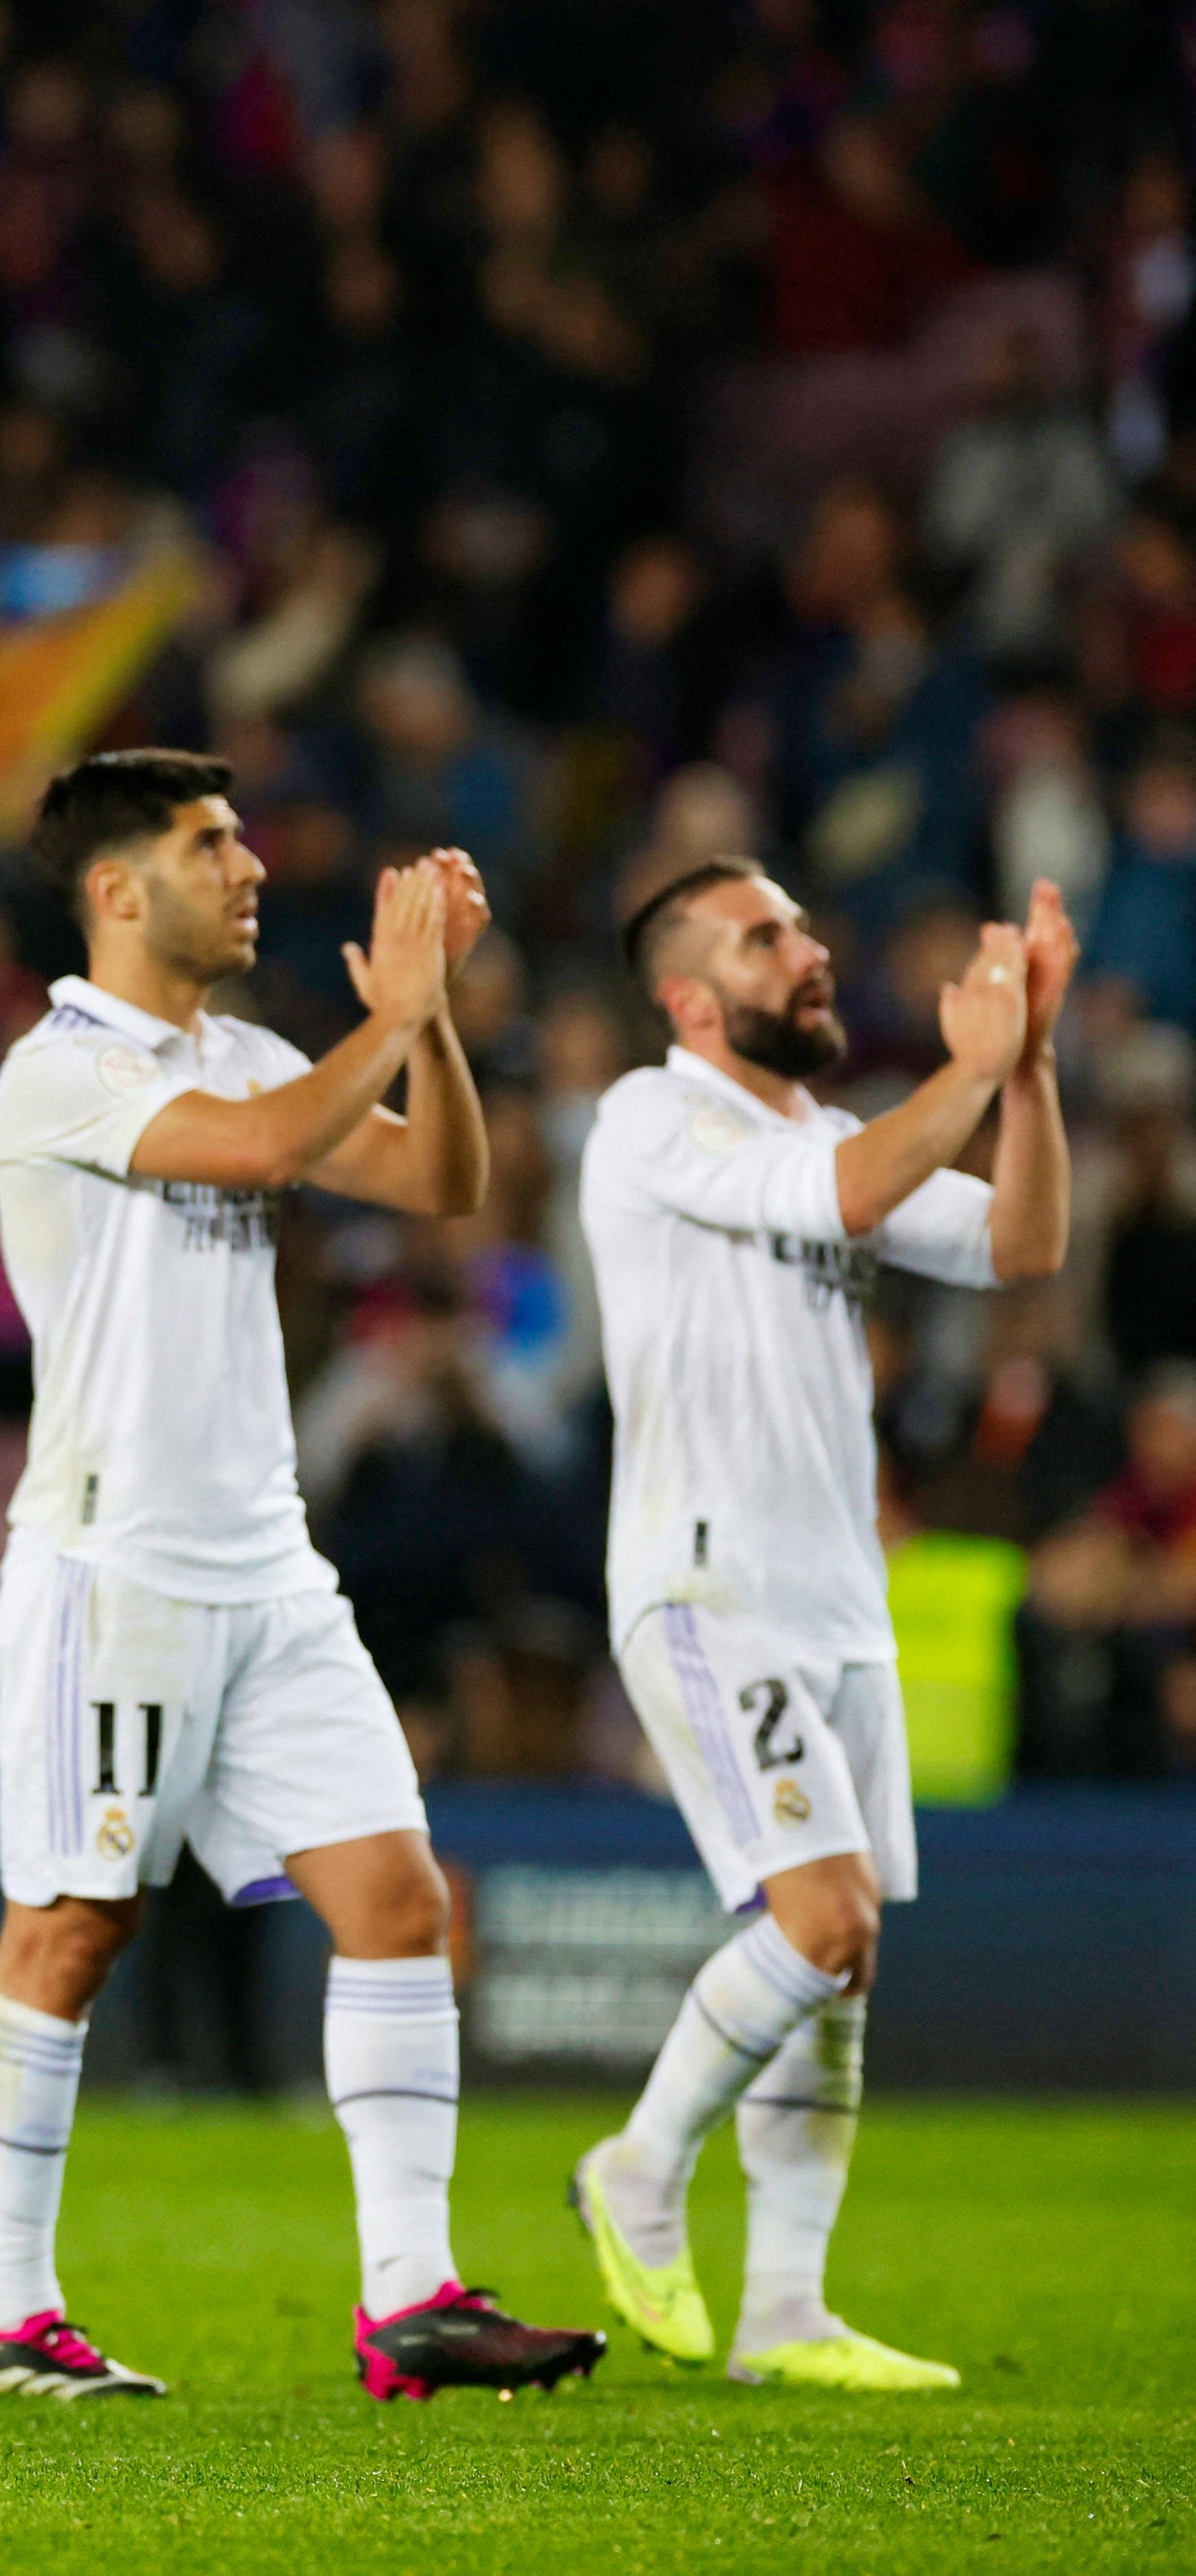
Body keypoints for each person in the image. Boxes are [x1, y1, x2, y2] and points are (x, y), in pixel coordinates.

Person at [0, 750, 605, 2403]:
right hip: (116, 1568)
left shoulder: (246, 1046)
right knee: (74, 1925)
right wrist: (387, 1017)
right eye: (208, 841)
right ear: (115, 890)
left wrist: (431, 1016)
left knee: (397, 1902)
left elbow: (440, 1181)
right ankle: (8, 2314)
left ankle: (412, 2297)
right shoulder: (56, 1069)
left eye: (240, 834)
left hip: (268, 1565)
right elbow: (250, 1151)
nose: (248, 865)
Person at [568, 863, 1071, 2392]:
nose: (810, 949)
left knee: (841, 1977)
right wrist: (971, 1070)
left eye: (800, 926)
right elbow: (845, 1206)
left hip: (834, 1595)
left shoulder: (830, 1132)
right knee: (821, 1920)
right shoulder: (651, 1119)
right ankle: (637, 2166)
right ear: (688, 999)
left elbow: (1019, 1247)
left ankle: (785, 2313)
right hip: (707, 1585)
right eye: (765, 936)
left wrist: (1029, 1069)